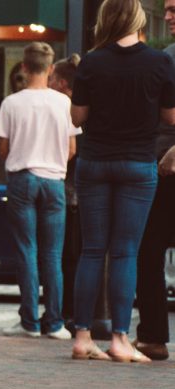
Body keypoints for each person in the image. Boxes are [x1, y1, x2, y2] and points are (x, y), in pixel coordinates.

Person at [71, 0, 175, 362]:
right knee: (125, 251)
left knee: (92, 250)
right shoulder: (159, 62)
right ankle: (119, 339)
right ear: (138, 18)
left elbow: (77, 115)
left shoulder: (91, 61)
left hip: (95, 161)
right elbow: (170, 115)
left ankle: (82, 337)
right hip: (137, 164)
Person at [0, 42, 79, 341]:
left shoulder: (11, 103)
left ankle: (29, 321)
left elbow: (2, 149)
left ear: (24, 67)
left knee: (26, 251)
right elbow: (71, 149)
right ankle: (54, 323)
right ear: (51, 68)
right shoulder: (64, 103)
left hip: (22, 178)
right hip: (54, 182)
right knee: (52, 255)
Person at [135, 0, 175, 361]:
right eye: (165, 9)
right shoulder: (168, 56)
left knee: (149, 248)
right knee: (149, 249)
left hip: (167, 165)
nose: (167, 17)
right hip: (160, 167)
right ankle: (152, 336)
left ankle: (152, 335)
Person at [48, 54, 82, 330]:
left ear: (60, 83)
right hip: (72, 192)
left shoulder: (71, 109)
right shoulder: (70, 107)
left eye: (50, 79)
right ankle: (67, 313)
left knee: (67, 257)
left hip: (70, 192)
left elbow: (72, 152)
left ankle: (66, 313)